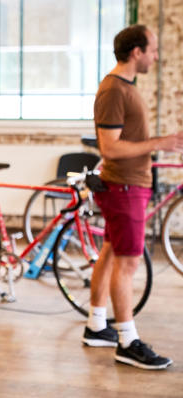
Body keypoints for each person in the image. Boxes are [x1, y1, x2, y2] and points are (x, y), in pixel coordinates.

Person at [83, 24, 183, 370]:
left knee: (111, 253)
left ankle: (97, 326)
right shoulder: (113, 90)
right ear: (137, 52)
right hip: (124, 187)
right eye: (153, 50)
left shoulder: (124, 87)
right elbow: (109, 147)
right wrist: (160, 143)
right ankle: (127, 341)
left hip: (127, 186)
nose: (156, 57)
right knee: (127, 263)